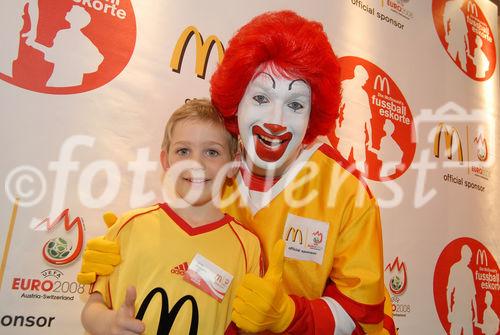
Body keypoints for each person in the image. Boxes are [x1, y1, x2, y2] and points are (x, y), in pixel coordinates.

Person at [79, 11, 396, 335]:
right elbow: (195, 265)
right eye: (261, 97)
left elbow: (364, 319)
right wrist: (124, 259)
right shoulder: (214, 166)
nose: (276, 119)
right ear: (237, 101)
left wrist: (290, 316)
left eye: (296, 105)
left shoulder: (346, 192)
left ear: (314, 113)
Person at [80, 99, 262, 335]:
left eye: (212, 152)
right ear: (166, 160)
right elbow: (92, 307)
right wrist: (109, 323)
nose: (196, 164)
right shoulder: (129, 226)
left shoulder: (247, 247)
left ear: (234, 164)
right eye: (183, 151)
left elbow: (246, 327)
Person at [25, 5, 103, 87]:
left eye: (70, 11)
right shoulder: (82, 39)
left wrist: (33, 44)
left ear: (75, 18)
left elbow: (54, 54)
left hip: (60, 79)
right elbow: (55, 54)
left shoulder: (64, 34)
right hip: (73, 82)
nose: (67, 12)